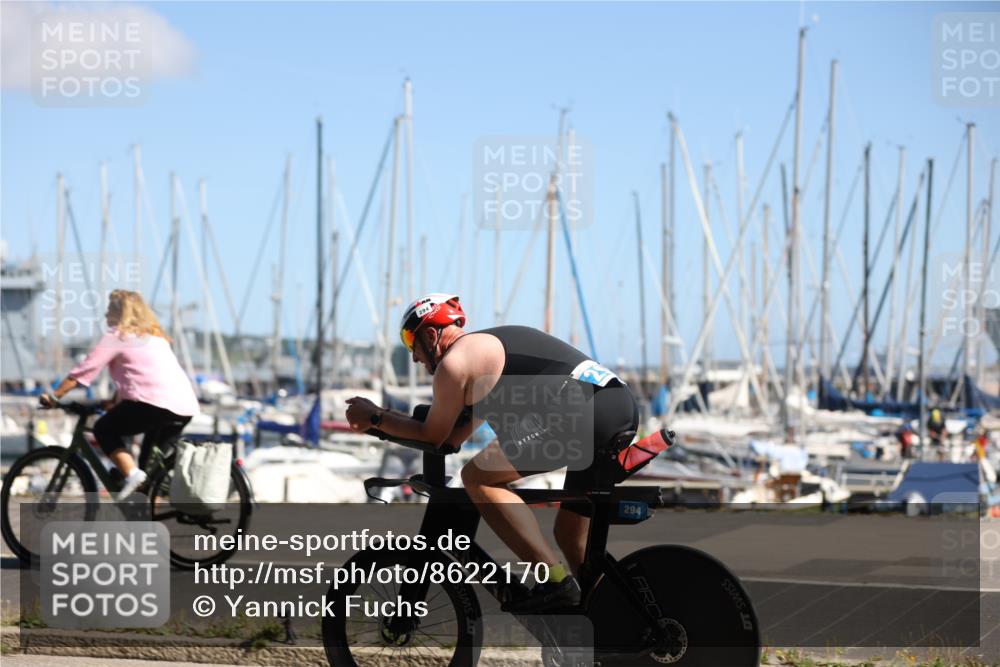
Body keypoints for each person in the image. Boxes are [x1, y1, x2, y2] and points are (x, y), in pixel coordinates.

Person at [345, 293, 638, 612]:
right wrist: (385, 421)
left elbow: (432, 434)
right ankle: (608, 618)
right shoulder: (483, 358)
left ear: (431, 334)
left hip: (585, 412)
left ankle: (555, 581)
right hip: (615, 407)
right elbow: (451, 438)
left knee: (478, 478)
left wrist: (375, 417)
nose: (414, 356)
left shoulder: (455, 364)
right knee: (569, 536)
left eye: (410, 340)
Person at [41, 290, 200, 500]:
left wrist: (55, 396)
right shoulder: (154, 337)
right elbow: (142, 375)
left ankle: (132, 475)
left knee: (103, 429)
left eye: (110, 308)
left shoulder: (118, 336)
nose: (106, 312)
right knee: (149, 472)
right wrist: (113, 402)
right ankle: (151, 511)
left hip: (155, 404)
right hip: (184, 407)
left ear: (120, 312)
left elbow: (85, 369)